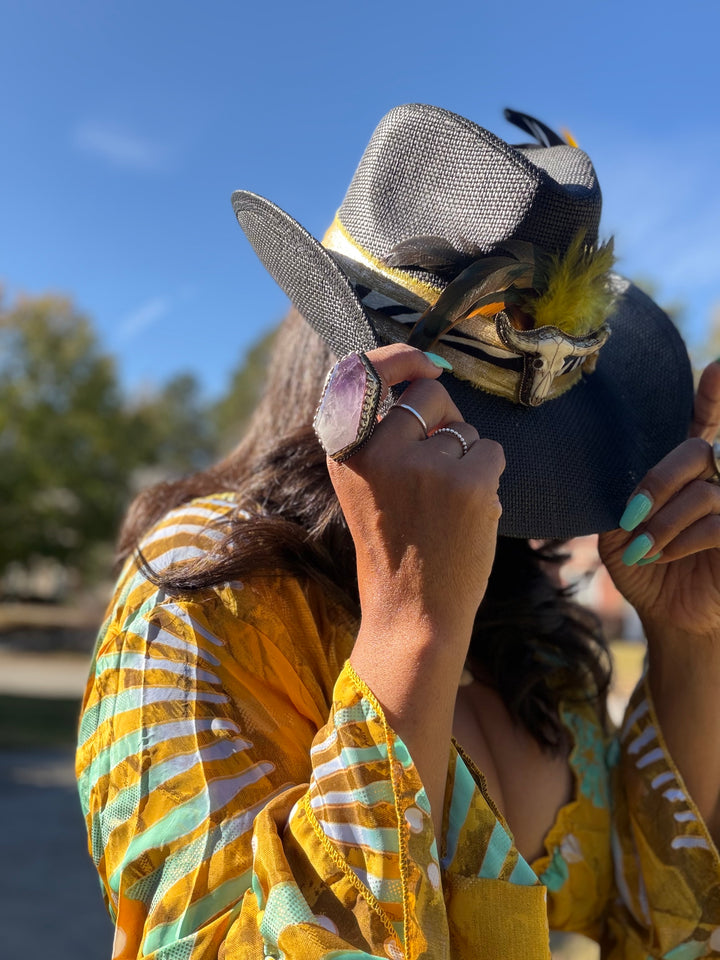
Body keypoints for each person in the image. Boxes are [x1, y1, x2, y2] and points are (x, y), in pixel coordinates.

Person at [76, 104, 720, 959]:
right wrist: (413, 624)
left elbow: (664, 929)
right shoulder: (203, 579)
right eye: (485, 422)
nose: (508, 474)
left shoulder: (528, 618)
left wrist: (688, 639)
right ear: (358, 377)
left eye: (534, 443)